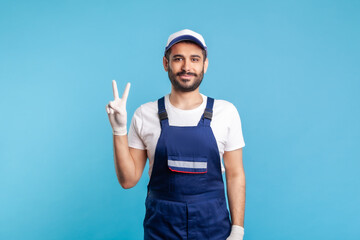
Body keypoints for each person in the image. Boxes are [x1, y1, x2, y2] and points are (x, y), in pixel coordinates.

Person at [106, 29, 246, 240]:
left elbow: (235, 173)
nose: (187, 67)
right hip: (161, 229)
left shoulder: (226, 113)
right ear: (165, 63)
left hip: (214, 228)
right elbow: (128, 180)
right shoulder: (145, 114)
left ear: (205, 65)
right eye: (178, 59)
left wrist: (237, 229)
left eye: (195, 59)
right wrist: (118, 130)